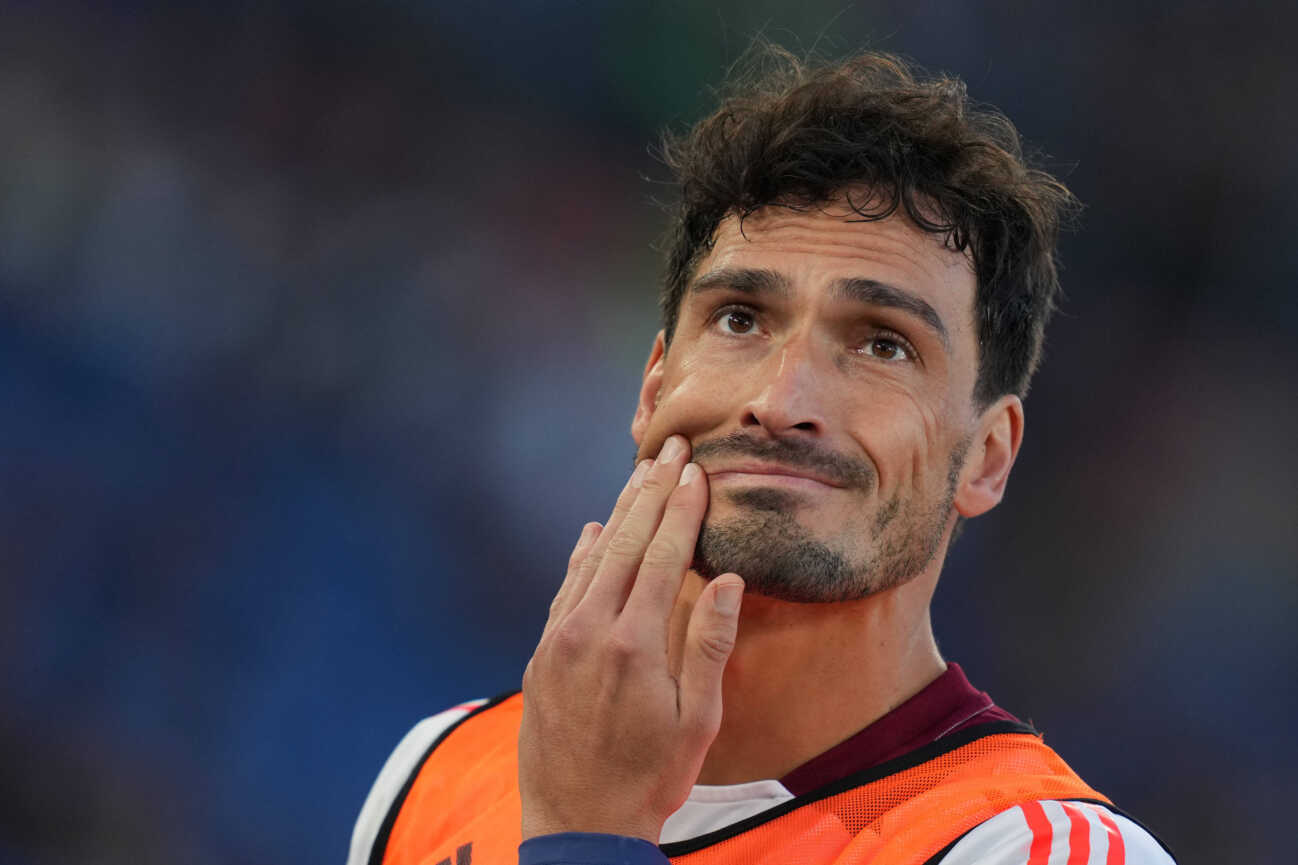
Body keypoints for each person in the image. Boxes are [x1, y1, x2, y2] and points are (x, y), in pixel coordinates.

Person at [348, 48, 1177, 865]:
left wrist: (591, 833)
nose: (781, 403)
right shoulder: (433, 773)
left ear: (988, 457)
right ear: (652, 387)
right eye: (740, 318)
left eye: (883, 344)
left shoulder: (1037, 849)